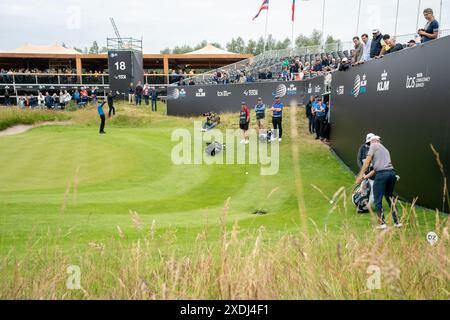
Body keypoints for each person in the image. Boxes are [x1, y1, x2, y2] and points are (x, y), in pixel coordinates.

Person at [356, 136, 402, 230]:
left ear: (373, 141)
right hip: (391, 174)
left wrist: (360, 176)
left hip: (382, 175)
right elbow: (376, 168)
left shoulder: (373, 146)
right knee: (390, 198)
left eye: (369, 143)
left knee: (377, 200)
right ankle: (397, 222)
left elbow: (366, 163)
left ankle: (382, 223)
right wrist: (365, 177)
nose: (369, 145)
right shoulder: (385, 150)